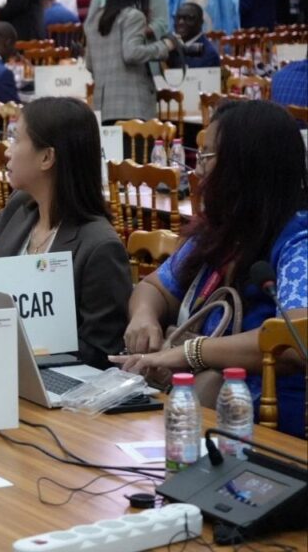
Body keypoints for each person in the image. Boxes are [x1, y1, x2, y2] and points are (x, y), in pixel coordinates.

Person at [112, 100, 307, 438]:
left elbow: (293, 339)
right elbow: (155, 287)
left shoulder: (298, 239)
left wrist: (190, 353)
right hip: (200, 406)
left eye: (207, 157)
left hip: (268, 425)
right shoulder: (220, 230)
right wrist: (143, 316)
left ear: (245, 165)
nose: (198, 171)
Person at [0, 98, 131, 369]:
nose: (7, 152)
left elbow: (101, 355)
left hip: (57, 387)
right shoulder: (22, 208)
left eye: (16, 140)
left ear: (47, 158)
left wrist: (16, 345)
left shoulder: (99, 246)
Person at [84, 0, 176, 123]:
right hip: (133, 105)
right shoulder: (134, 16)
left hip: (103, 106)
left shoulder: (94, 20)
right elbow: (131, 53)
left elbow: (89, 64)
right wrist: (164, 46)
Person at [88, 0, 169, 39]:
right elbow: (92, 23)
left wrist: (136, 32)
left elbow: (161, 23)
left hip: (143, 51)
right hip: (110, 52)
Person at [167, 3, 221, 69]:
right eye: (178, 18)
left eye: (188, 18)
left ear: (201, 22)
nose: (181, 22)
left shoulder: (209, 55)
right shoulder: (171, 49)